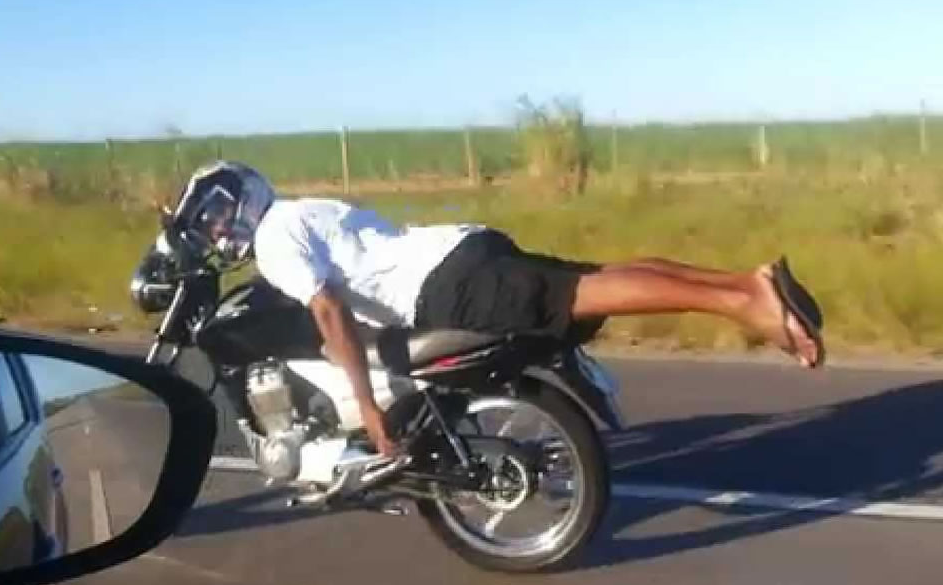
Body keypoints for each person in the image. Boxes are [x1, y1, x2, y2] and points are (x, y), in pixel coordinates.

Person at [173, 161, 824, 456]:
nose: (216, 230)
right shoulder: (298, 209)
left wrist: (369, 411)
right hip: (462, 244)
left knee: (581, 294)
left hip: (439, 285)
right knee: (598, 276)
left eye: (215, 215)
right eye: (208, 222)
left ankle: (744, 305)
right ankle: (743, 284)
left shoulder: (271, 240)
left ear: (238, 204)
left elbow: (328, 313)